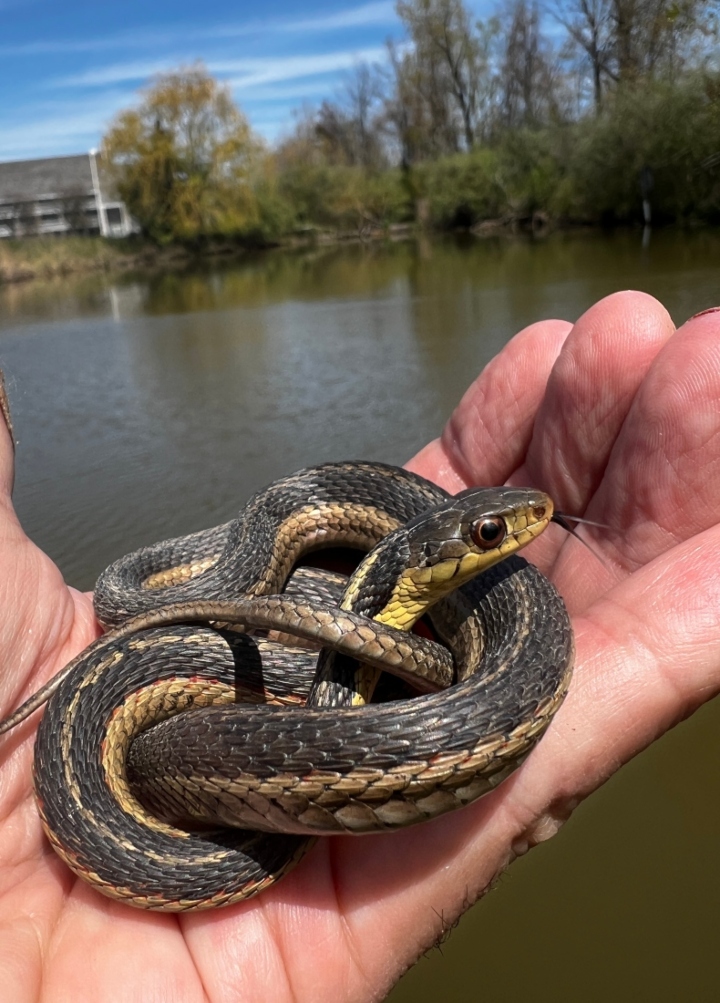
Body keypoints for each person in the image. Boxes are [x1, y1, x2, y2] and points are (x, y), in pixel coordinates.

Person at [0, 291, 718, 1001]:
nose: (522, 527)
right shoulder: (302, 580)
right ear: (420, 569)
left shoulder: (432, 595)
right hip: (112, 781)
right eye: (487, 537)